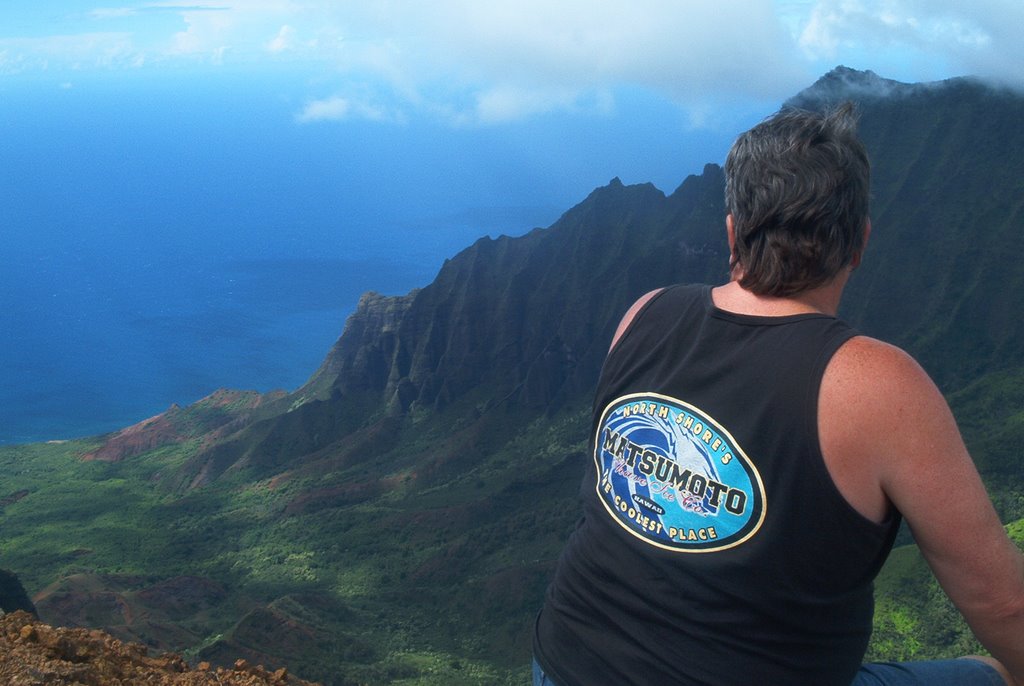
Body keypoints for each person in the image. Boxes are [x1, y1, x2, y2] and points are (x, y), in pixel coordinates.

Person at [532, 103, 1024, 685]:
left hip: (562, 666)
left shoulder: (644, 314)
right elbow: (1004, 606)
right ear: (859, 243)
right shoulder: (880, 386)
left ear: (733, 231)